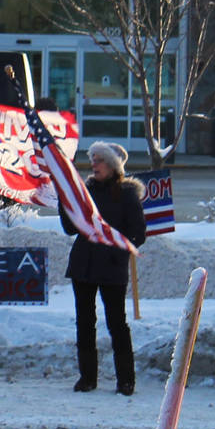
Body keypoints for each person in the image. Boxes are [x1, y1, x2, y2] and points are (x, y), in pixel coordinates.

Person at [59, 141, 147, 394]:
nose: (93, 164)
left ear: (112, 165)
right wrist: (66, 203)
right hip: (83, 266)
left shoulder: (127, 194)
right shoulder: (84, 192)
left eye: (99, 160)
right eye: (93, 159)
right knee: (85, 323)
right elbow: (70, 228)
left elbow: (137, 234)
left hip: (111, 268)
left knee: (117, 324)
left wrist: (114, 250)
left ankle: (125, 380)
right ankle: (87, 378)